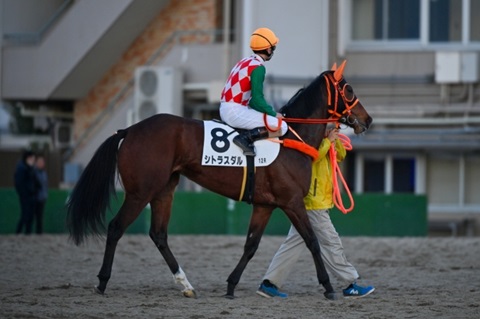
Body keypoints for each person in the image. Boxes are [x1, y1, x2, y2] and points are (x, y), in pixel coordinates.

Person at [257, 128, 375, 299]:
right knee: (330, 242)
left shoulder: (327, 141)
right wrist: (327, 141)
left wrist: (334, 140)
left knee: (292, 244)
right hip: (313, 202)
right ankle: (350, 283)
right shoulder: (310, 140)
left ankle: (268, 284)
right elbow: (313, 156)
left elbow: (340, 156)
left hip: (316, 201)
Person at [220, 27, 288, 156]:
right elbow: (256, 100)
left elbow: (251, 101)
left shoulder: (244, 61)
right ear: (268, 49)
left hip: (226, 108)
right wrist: (273, 114)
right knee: (282, 127)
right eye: (273, 48)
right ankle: (245, 138)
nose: (273, 51)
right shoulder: (258, 67)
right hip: (235, 111)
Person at [14, 150, 39, 235]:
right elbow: (19, 183)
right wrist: (24, 194)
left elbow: (35, 182)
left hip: (31, 195)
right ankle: (18, 232)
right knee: (25, 214)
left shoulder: (30, 168)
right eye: (32, 158)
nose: (33, 160)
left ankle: (28, 232)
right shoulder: (22, 168)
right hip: (25, 196)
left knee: (30, 215)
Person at [34, 154, 48, 234]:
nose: (41, 163)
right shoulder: (34, 172)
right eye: (39, 162)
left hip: (42, 197)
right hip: (36, 197)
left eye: (42, 162)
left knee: (40, 216)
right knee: (35, 216)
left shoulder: (43, 172)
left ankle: (39, 232)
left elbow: (45, 185)